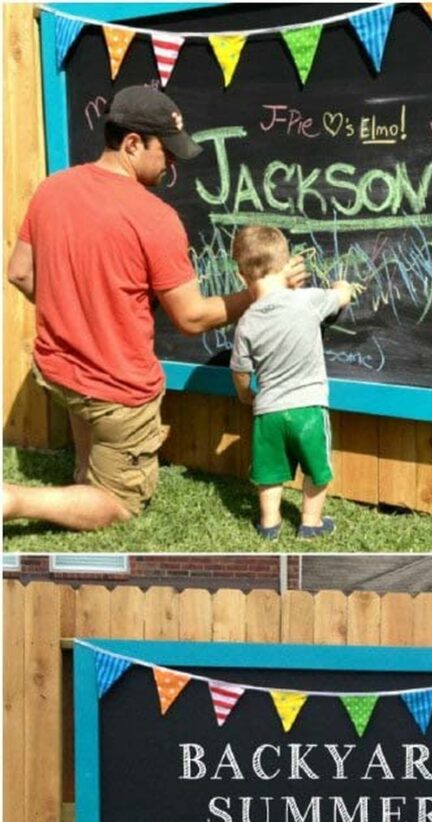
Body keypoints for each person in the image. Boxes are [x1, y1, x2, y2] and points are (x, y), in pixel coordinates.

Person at [4, 85, 305, 531]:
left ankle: (83, 480)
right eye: (167, 152)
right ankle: (13, 500)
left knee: (90, 451)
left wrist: (73, 306)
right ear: (131, 143)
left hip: (60, 369)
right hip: (117, 381)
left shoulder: (52, 189)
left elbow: (20, 273)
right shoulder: (155, 218)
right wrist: (260, 293)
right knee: (118, 503)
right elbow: (191, 317)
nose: (172, 165)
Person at [230, 225, 357, 540]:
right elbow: (340, 297)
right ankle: (310, 524)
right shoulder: (307, 301)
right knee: (317, 469)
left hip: (268, 410)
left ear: (241, 277)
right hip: (308, 409)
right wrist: (343, 286)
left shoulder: (246, 322)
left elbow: (240, 370)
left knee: (270, 473)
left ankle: (269, 524)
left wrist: (247, 395)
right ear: (286, 265)